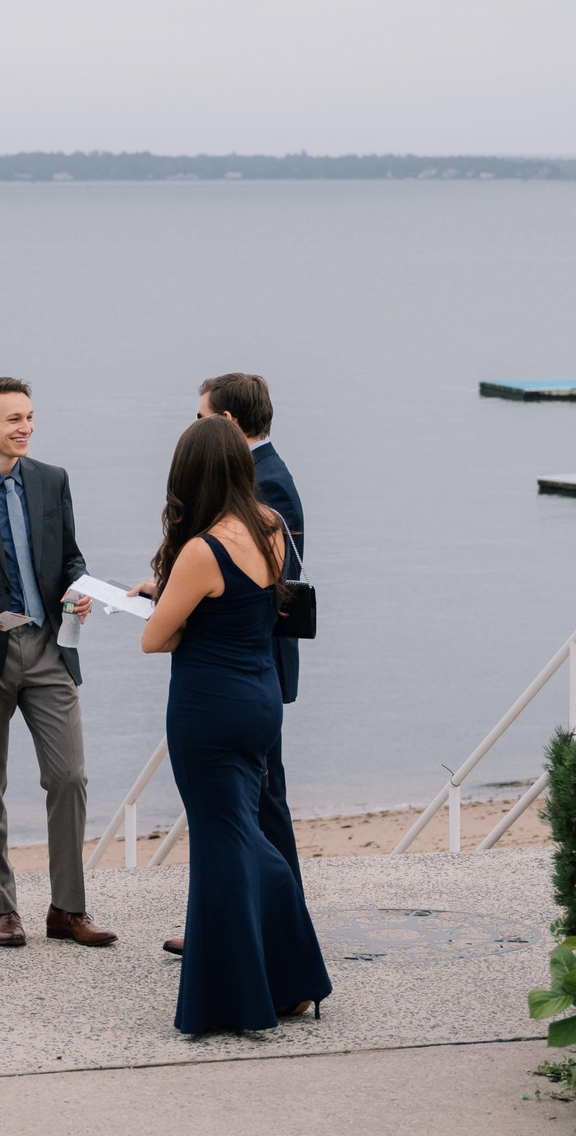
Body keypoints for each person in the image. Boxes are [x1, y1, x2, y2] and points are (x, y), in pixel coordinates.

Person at [140, 415, 331, 1033]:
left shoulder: (203, 549)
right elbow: (239, 605)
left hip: (208, 708)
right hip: (260, 698)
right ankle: (282, 978)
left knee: (228, 845)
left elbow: (155, 638)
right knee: (242, 835)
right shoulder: (269, 527)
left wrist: (165, 597)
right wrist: (174, 592)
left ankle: (252, 994)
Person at [0, 377, 116, 948]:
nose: (25, 427)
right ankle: (2, 909)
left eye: (29, 416)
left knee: (70, 777)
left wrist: (78, 590)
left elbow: (71, 556)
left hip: (50, 648)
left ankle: (68, 908)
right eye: (13, 419)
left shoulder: (53, 481)